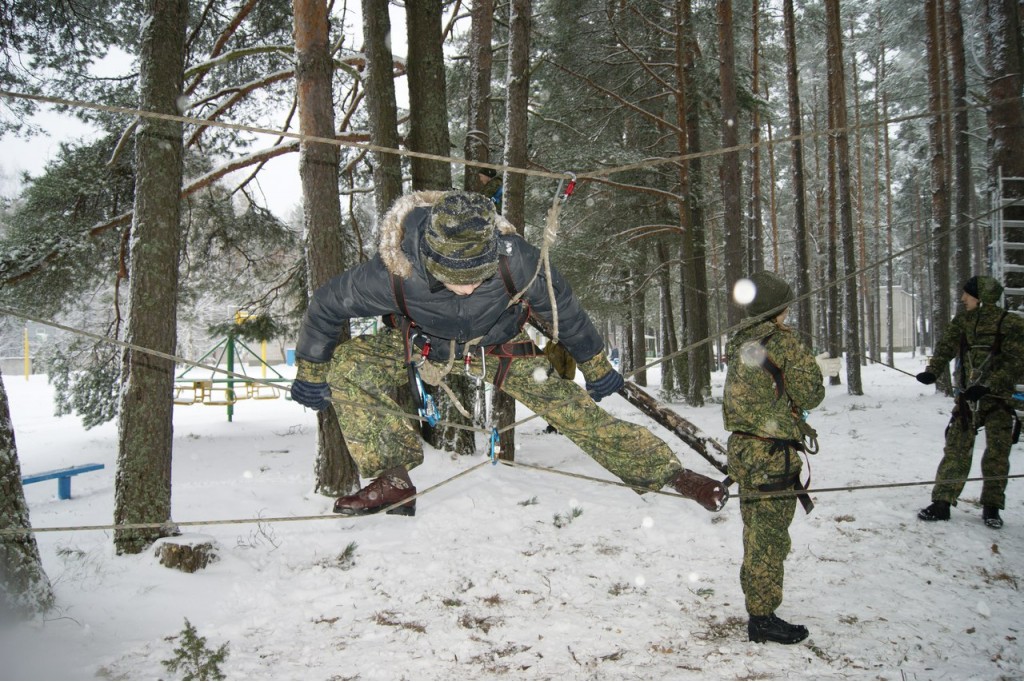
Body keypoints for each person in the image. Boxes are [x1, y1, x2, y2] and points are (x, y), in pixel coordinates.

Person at [290, 190, 727, 517]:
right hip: (425, 344)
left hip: (499, 348)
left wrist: (595, 364)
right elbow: (328, 305)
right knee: (346, 366)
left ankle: (670, 473)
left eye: (477, 278)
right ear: (425, 257)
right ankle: (392, 477)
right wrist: (310, 371)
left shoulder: (516, 259)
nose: (467, 288)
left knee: (573, 409)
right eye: (454, 278)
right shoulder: (391, 271)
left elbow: (565, 307)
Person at [723, 271, 835, 645]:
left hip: (745, 450)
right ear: (780, 308)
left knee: (755, 533)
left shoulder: (742, 338)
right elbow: (812, 394)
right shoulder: (783, 342)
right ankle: (762, 617)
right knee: (768, 539)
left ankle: (758, 606)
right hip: (771, 454)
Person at [916, 275, 1024, 529]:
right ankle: (942, 502)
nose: (963, 299)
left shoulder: (1011, 324)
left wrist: (988, 385)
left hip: (998, 401)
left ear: (982, 298)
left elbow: (1017, 362)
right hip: (967, 402)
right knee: (956, 449)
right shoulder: (964, 321)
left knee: (997, 454)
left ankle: (992, 507)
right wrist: (933, 370)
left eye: (968, 294)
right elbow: (946, 346)